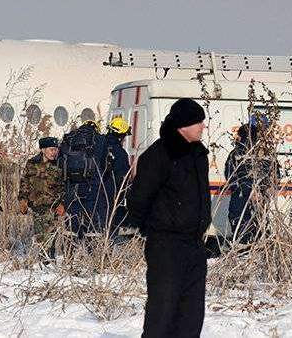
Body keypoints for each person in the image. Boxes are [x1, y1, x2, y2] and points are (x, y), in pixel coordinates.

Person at [127, 98, 210, 338]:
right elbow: (139, 199)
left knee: (191, 314)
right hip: (166, 245)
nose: (202, 126)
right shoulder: (159, 154)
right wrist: (154, 229)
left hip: (194, 244)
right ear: (183, 124)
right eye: (198, 121)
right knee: (163, 311)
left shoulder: (198, 154)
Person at [224, 119, 279, 245]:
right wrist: (264, 191)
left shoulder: (236, 153)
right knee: (259, 221)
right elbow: (276, 176)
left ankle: (244, 248)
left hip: (241, 195)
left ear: (242, 135)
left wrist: (239, 188)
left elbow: (229, 174)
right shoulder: (267, 153)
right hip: (261, 196)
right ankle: (259, 247)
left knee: (239, 221)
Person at [60, 120, 116, 240]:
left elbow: (60, 162)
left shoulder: (69, 139)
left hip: (72, 186)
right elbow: (108, 165)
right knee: (94, 222)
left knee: (72, 222)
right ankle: (93, 253)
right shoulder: (100, 140)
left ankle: (69, 253)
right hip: (93, 185)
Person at [17, 137, 64, 256]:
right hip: (37, 206)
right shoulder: (32, 163)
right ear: (43, 150)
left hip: (53, 207)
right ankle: (43, 261)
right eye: (51, 149)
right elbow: (24, 182)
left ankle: (49, 260)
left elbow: (64, 186)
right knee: (40, 236)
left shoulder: (60, 164)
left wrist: (63, 203)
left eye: (56, 150)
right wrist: (23, 200)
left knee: (51, 236)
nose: (54, 152)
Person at [105, 117, 132, 234]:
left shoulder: (100, 145)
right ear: (120, 136)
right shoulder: (120, 153)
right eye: (124, 137)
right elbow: (123, 178)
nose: (124, 140)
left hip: (97, 195)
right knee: (114, 229)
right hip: (113, 196)